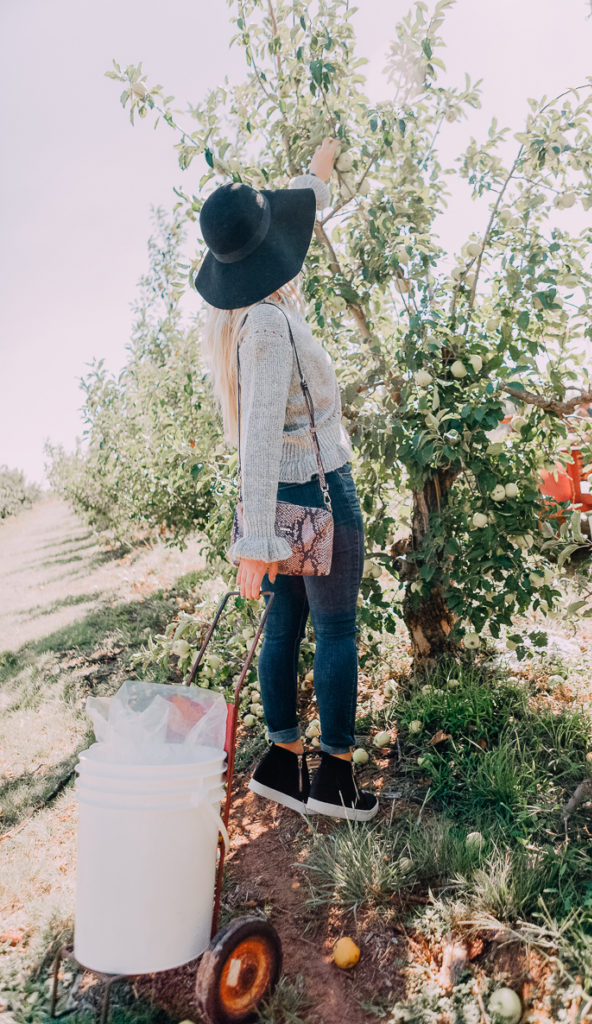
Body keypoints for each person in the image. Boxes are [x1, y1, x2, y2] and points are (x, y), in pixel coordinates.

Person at [195, 138, 379, 822]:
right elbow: (258, 437)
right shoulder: (269, 327)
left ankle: (280, 761)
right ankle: (333, 780)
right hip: (318, 488)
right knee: (335, 627)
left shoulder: (255, 313)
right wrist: (253, 540)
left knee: (289, 622)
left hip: (287, 497)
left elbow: (289, 213)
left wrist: (318, 175)